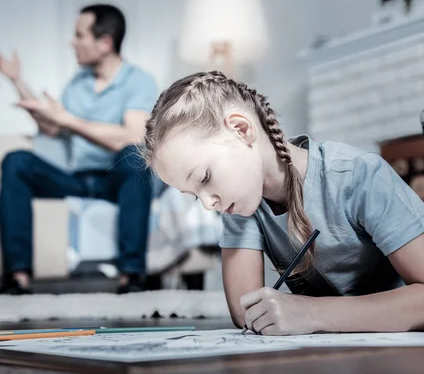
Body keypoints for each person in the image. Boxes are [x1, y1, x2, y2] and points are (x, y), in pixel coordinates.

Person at [141, 70, 424, 335]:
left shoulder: (359, 175)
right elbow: (246, 315)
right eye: (193, 194)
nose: (206, 204)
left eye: (204, 177)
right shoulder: (240, 202)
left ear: (241, 129)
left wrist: (312, 313)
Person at [0, 4, 157, 294]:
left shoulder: (138, 81)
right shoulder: (78, 84)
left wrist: (68, 119)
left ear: (105, 43)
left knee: (133, 158)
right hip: (75, 178)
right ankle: (17, 279)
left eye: (79, 35)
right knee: (16, 161)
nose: (72, 42)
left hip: (113, 179)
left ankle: (132, 277)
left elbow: (132, 137)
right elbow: (55, 126)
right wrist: (16, 81)